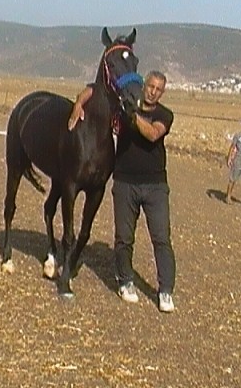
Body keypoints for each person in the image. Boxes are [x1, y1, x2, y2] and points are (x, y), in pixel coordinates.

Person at [68, 71, 176, 313]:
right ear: (144, 85)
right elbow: (94, 90)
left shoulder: (164, 115)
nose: (153, 91)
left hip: (155, 186)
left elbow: (152, 134)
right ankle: (125, 281)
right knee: (124, 238)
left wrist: (133, 115)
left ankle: (166, 290)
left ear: (162, 92)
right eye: (150, 86)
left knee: (161, 238)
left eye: (159, 89)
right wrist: (78, 103)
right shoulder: (125, 105)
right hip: (125, 183)